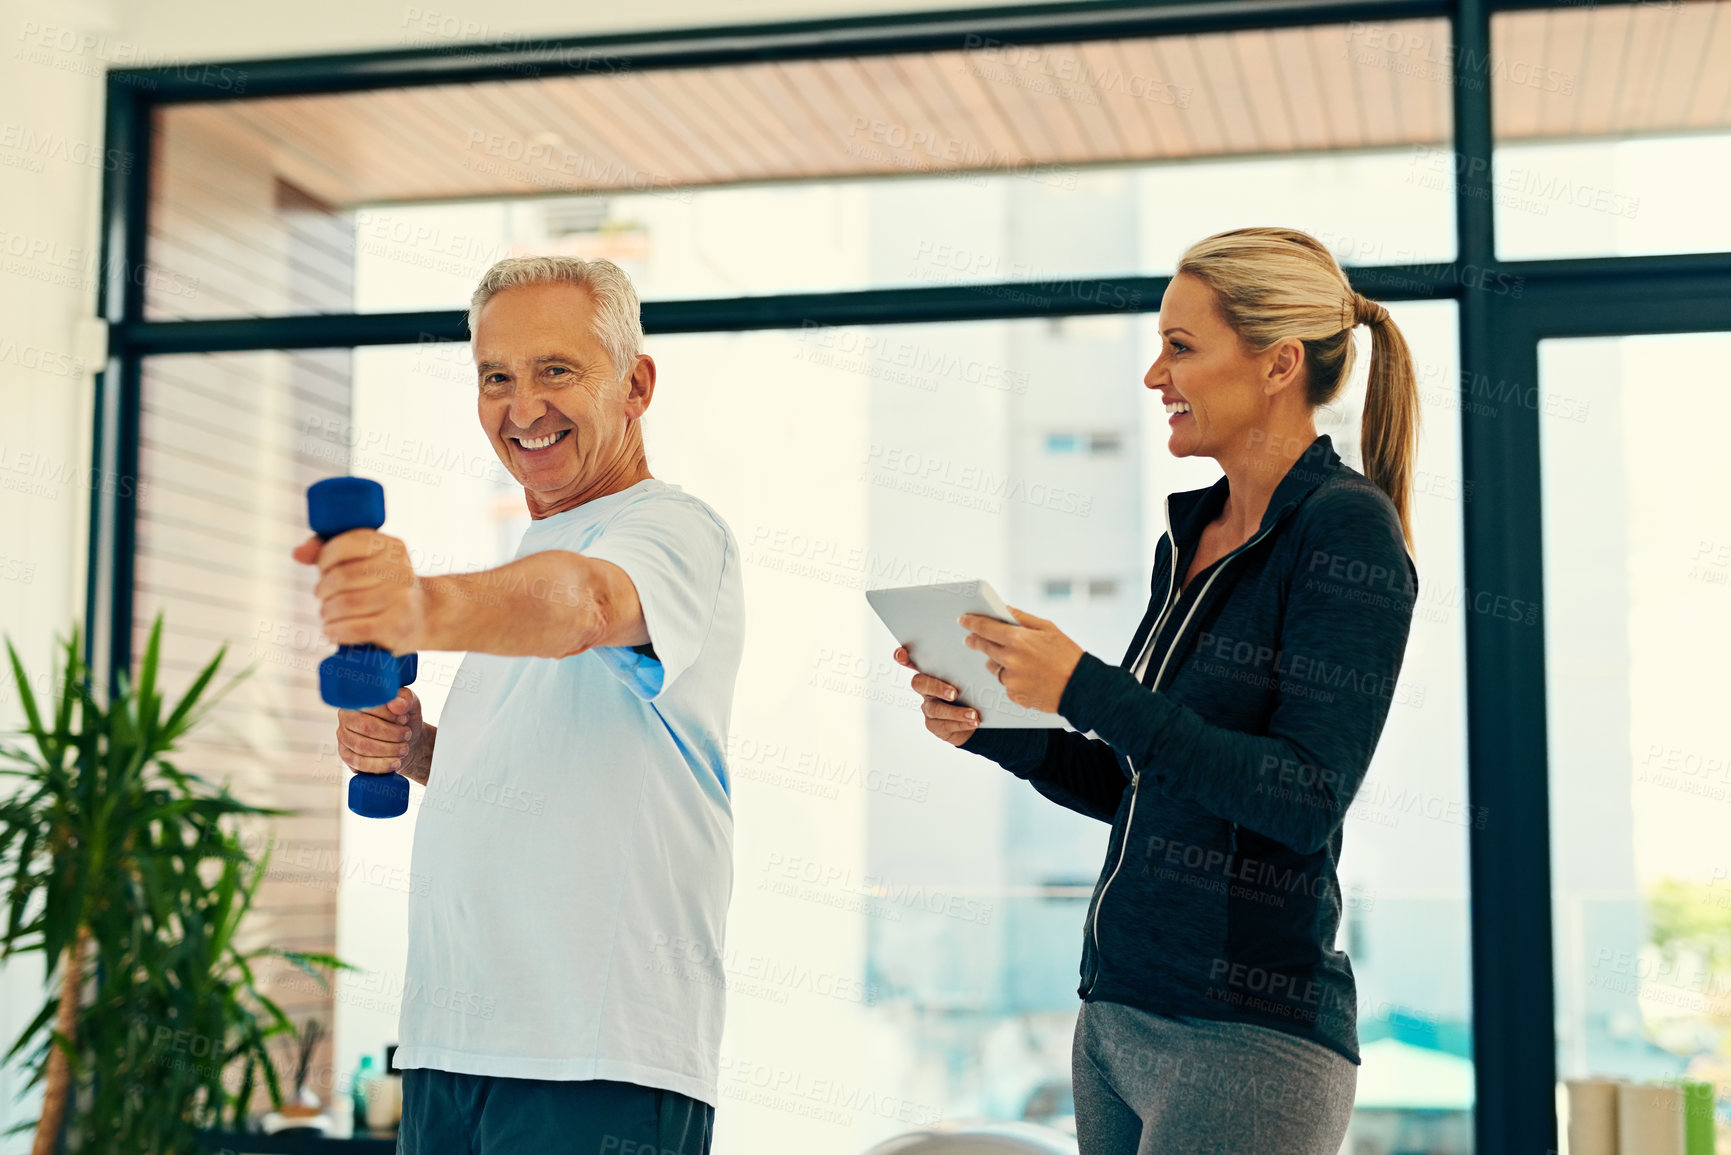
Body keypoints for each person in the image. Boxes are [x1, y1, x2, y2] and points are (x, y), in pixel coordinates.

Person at [895, 227, 1420, 1154]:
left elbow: (1301, 798)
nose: (1152, 376)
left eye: (1180, 347)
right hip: (1113, 1018)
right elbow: (1148, 785)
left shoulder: (1344, 533)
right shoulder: (1190, 537)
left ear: (1277, 364)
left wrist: (1084, 685)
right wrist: (997, 725)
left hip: (1245, 1039)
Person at [294, 256, 743, 1155]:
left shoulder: (669, 530)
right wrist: (417, 745)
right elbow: (531, 760)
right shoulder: (531, 556)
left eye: (556, 370)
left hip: (595, 1056)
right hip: (450, 1046)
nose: (522, 405)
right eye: (496, 376)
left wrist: (417, 605)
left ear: (636, 384)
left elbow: (583, 607)